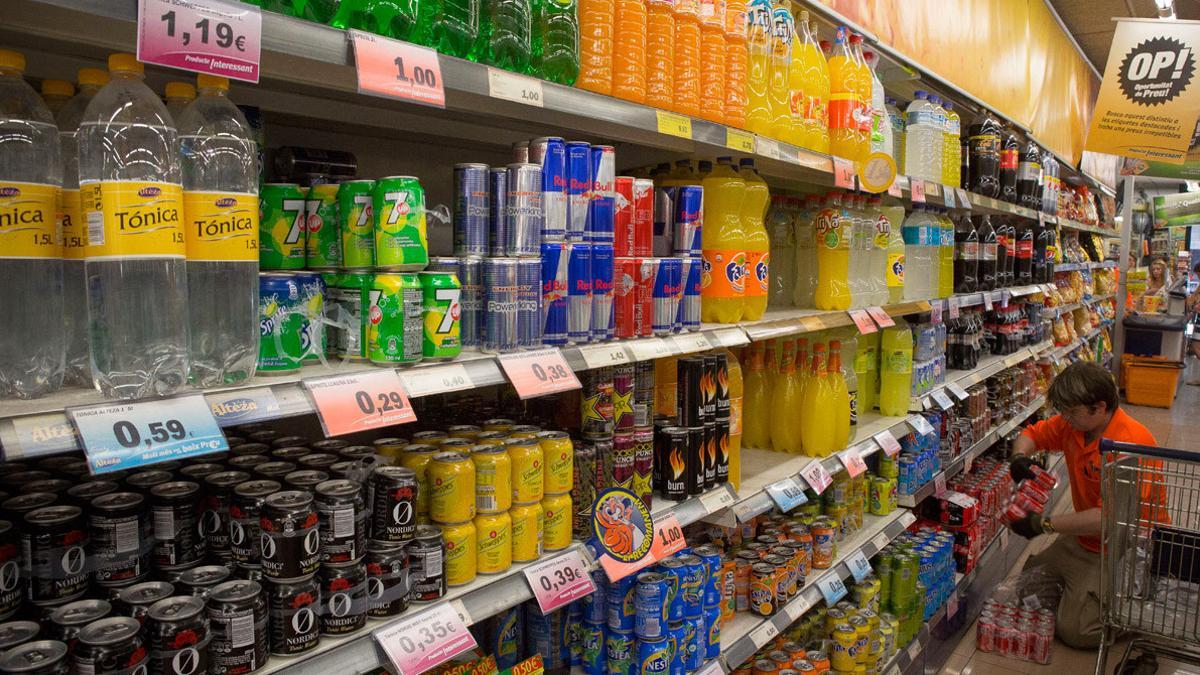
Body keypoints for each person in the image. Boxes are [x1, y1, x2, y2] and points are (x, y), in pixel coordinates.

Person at [1006, 361, 1158, 649]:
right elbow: (1032, 434)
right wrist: (1019, 459)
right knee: (1029, 587)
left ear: (1099, 407)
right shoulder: (1073, 425)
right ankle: (1090, 594)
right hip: (1086, 540)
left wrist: (1044, 524)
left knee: (1076, 631)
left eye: (1072, 411)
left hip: (1124, 547)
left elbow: (1108, 519)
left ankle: (1136, 604)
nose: (1065, 418)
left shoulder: (1129, 445)